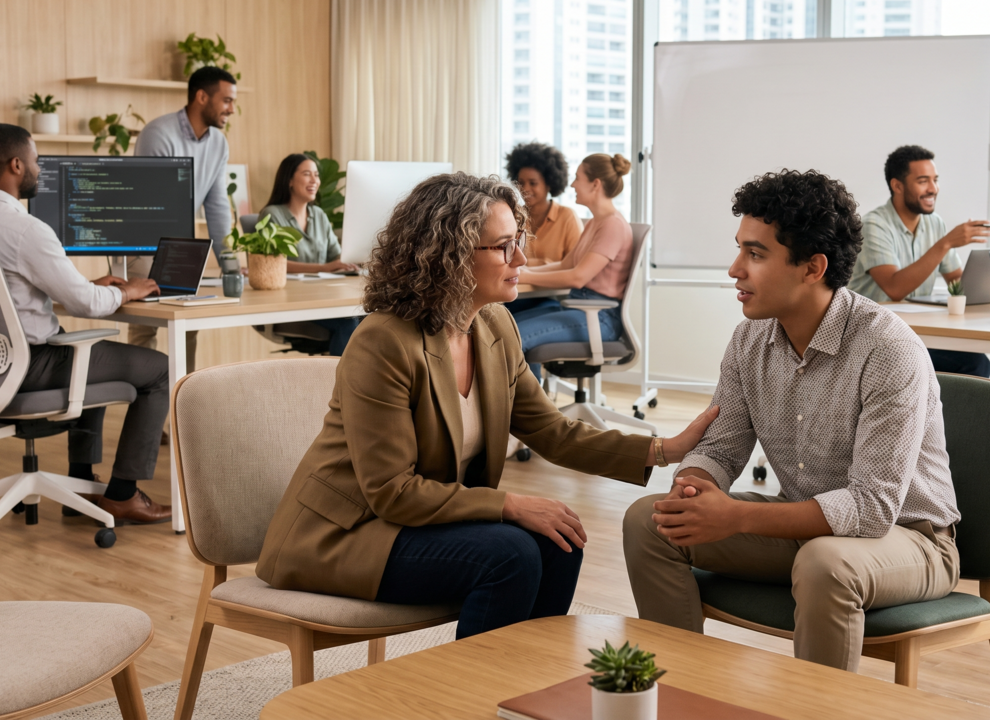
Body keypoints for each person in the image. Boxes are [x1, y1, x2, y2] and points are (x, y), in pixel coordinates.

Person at [255, 172, 718, 639]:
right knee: (510, 554)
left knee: (559, 542)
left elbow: (553, 432)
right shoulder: (383, 342)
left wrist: (665, 449)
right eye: (502, 246)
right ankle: (472, 698)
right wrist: (511, 505)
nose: (520, 258)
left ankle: (526, 693)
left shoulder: (495, 326)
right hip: (345, 534)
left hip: (413, 523)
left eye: (518, 240)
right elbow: (392, 491)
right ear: (449, 256)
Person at [623, 169, 961, 673]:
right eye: (739, 249)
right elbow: (720, 448)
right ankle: (681, 697)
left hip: (910, 541)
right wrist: (692, 489)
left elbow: (871, 510)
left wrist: (735, 516)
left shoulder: (888, 349)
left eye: (755, 254)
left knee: (824, 563)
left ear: (812, 267)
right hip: (804, 530)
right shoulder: (748, 341)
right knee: (651, 522)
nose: (735, 268)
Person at [0, 124, 172, 523]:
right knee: (159, 371)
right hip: (29, 367)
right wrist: (129, 291)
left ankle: (78, 484)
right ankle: (123, 494)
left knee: (86, 352)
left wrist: (83, 285)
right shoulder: (27, 229)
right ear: (16, 165)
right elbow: (87, 303)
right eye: (35, 161)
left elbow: (9, 293)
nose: (38, 170)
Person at [127, 66, 238, 374]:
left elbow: (216, 207)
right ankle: (142, 406)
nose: (232, 109)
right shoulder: (158, 134)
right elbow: (156, 206)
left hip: (180, 246)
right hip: (144, 246)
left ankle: (179, 408)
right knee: (144, 326)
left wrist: (229, 263)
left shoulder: (219, 143)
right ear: (202, 97)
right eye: (226, 100)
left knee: (188, 324)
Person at [848, 145, 990, 378]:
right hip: (873, 336)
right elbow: (895, 288)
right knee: (974, 364)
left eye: (935, 180)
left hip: (915, 332)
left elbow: (957, 283)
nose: (933, 189)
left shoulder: (934, 224)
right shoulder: (874, 225)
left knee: (976, 359)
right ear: (897, 186)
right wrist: (945, 243)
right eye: (923, 181)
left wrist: (988, 286)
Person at [513, 153, 635, 379]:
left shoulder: (613, 226)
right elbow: (567, 264)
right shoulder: (596, 222)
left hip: (599, 318)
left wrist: (526, 277)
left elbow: (577, 277)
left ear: (595, 184)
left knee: (513, 338)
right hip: (578, 308)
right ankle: (527, 407)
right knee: (506, 327)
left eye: (578, 178)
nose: (573, 184)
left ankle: (530, 411)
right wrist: (523, 271)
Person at [258, 153, 361, 356]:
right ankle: (336, 385)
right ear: (289, 180)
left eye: (316, 175)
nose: (315, 180)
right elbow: (272, 265)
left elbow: (335, 256)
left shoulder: (319, 215)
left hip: (323, 298)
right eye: (307, 174)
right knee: (348, 321)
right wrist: (323, 268)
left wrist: (353, 259)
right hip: (291, 302)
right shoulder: (272, 215)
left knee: (367, 317)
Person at [505, 141, 582, 265]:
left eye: (533, 183)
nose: (525, 189)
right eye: (521, 182)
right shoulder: (513, 216)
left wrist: (539, 265)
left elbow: (576, 265)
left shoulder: (567, 217)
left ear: (549, 184)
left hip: (556, 284)